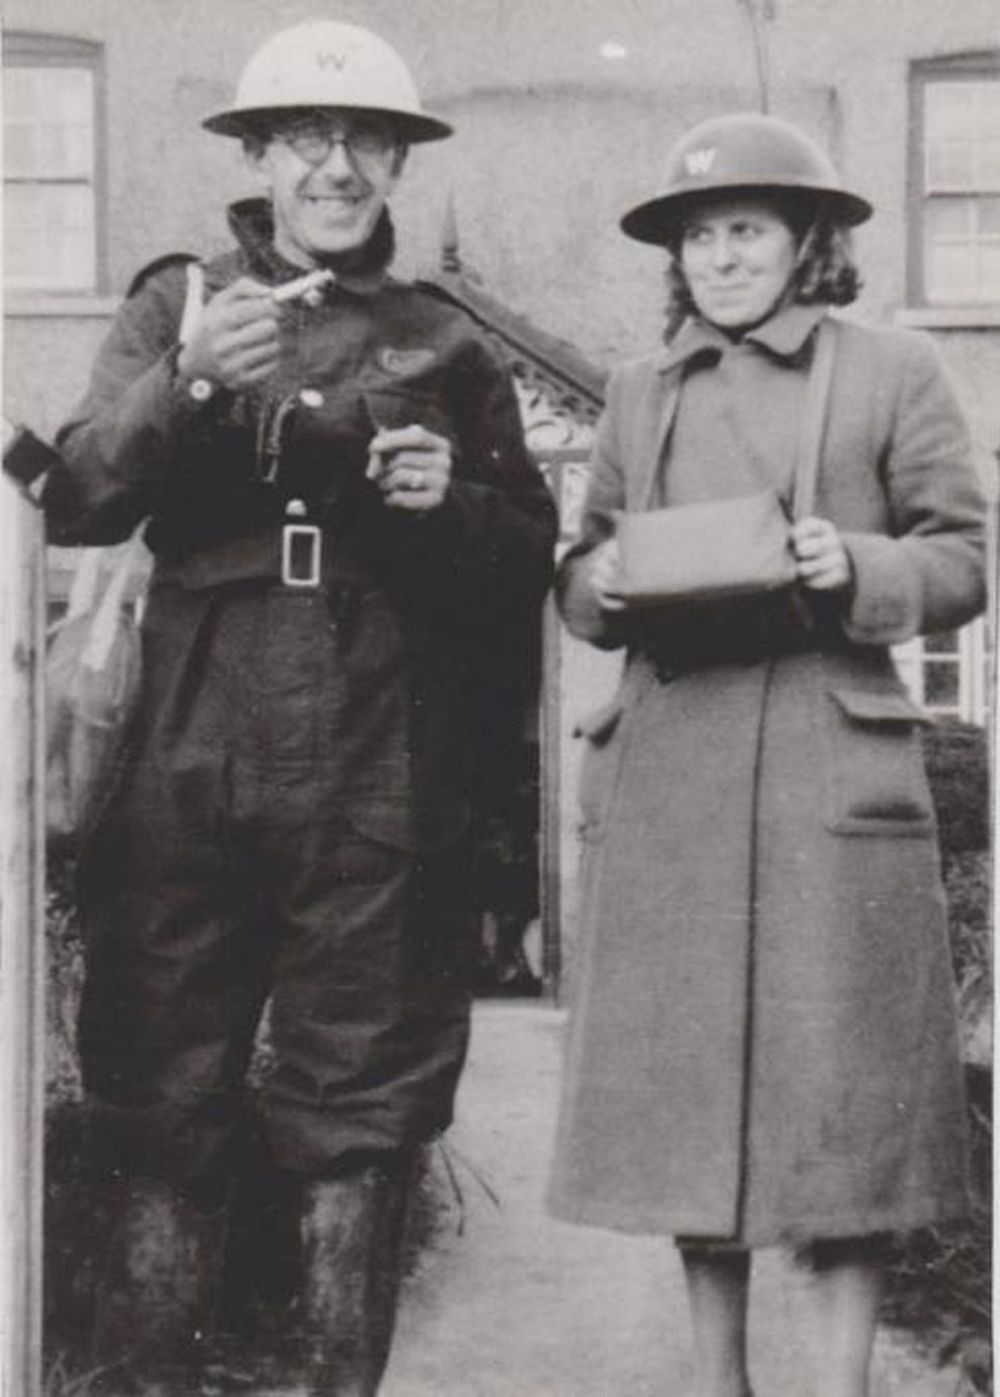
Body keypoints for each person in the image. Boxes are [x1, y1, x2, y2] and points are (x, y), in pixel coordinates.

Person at [42, 19, 556, 1395]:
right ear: (257, 156)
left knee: (361, 1090)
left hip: (379, 721)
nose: (336, 164)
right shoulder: (179, 300)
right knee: (158, 1077)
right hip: (193, 715)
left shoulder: (443, 340)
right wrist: (197, 374)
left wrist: (450, 504)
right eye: (305, 140)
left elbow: (529, 567)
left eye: (366, 142)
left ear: (396, 163)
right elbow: (80, 490)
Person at [546, 112, 986, 1397]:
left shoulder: (891, 372)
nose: (721, 256)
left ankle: (839, 1383)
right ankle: (715, 1380)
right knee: (694, 1101)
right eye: (698, 235)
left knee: (842, 1097)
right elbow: (582, 576)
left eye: (746, 228)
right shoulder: (640, 390)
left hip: (823, 771)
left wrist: (862, 562)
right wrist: (600, 575)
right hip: (673, 768)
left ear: (808, 243)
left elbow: (962, 555)